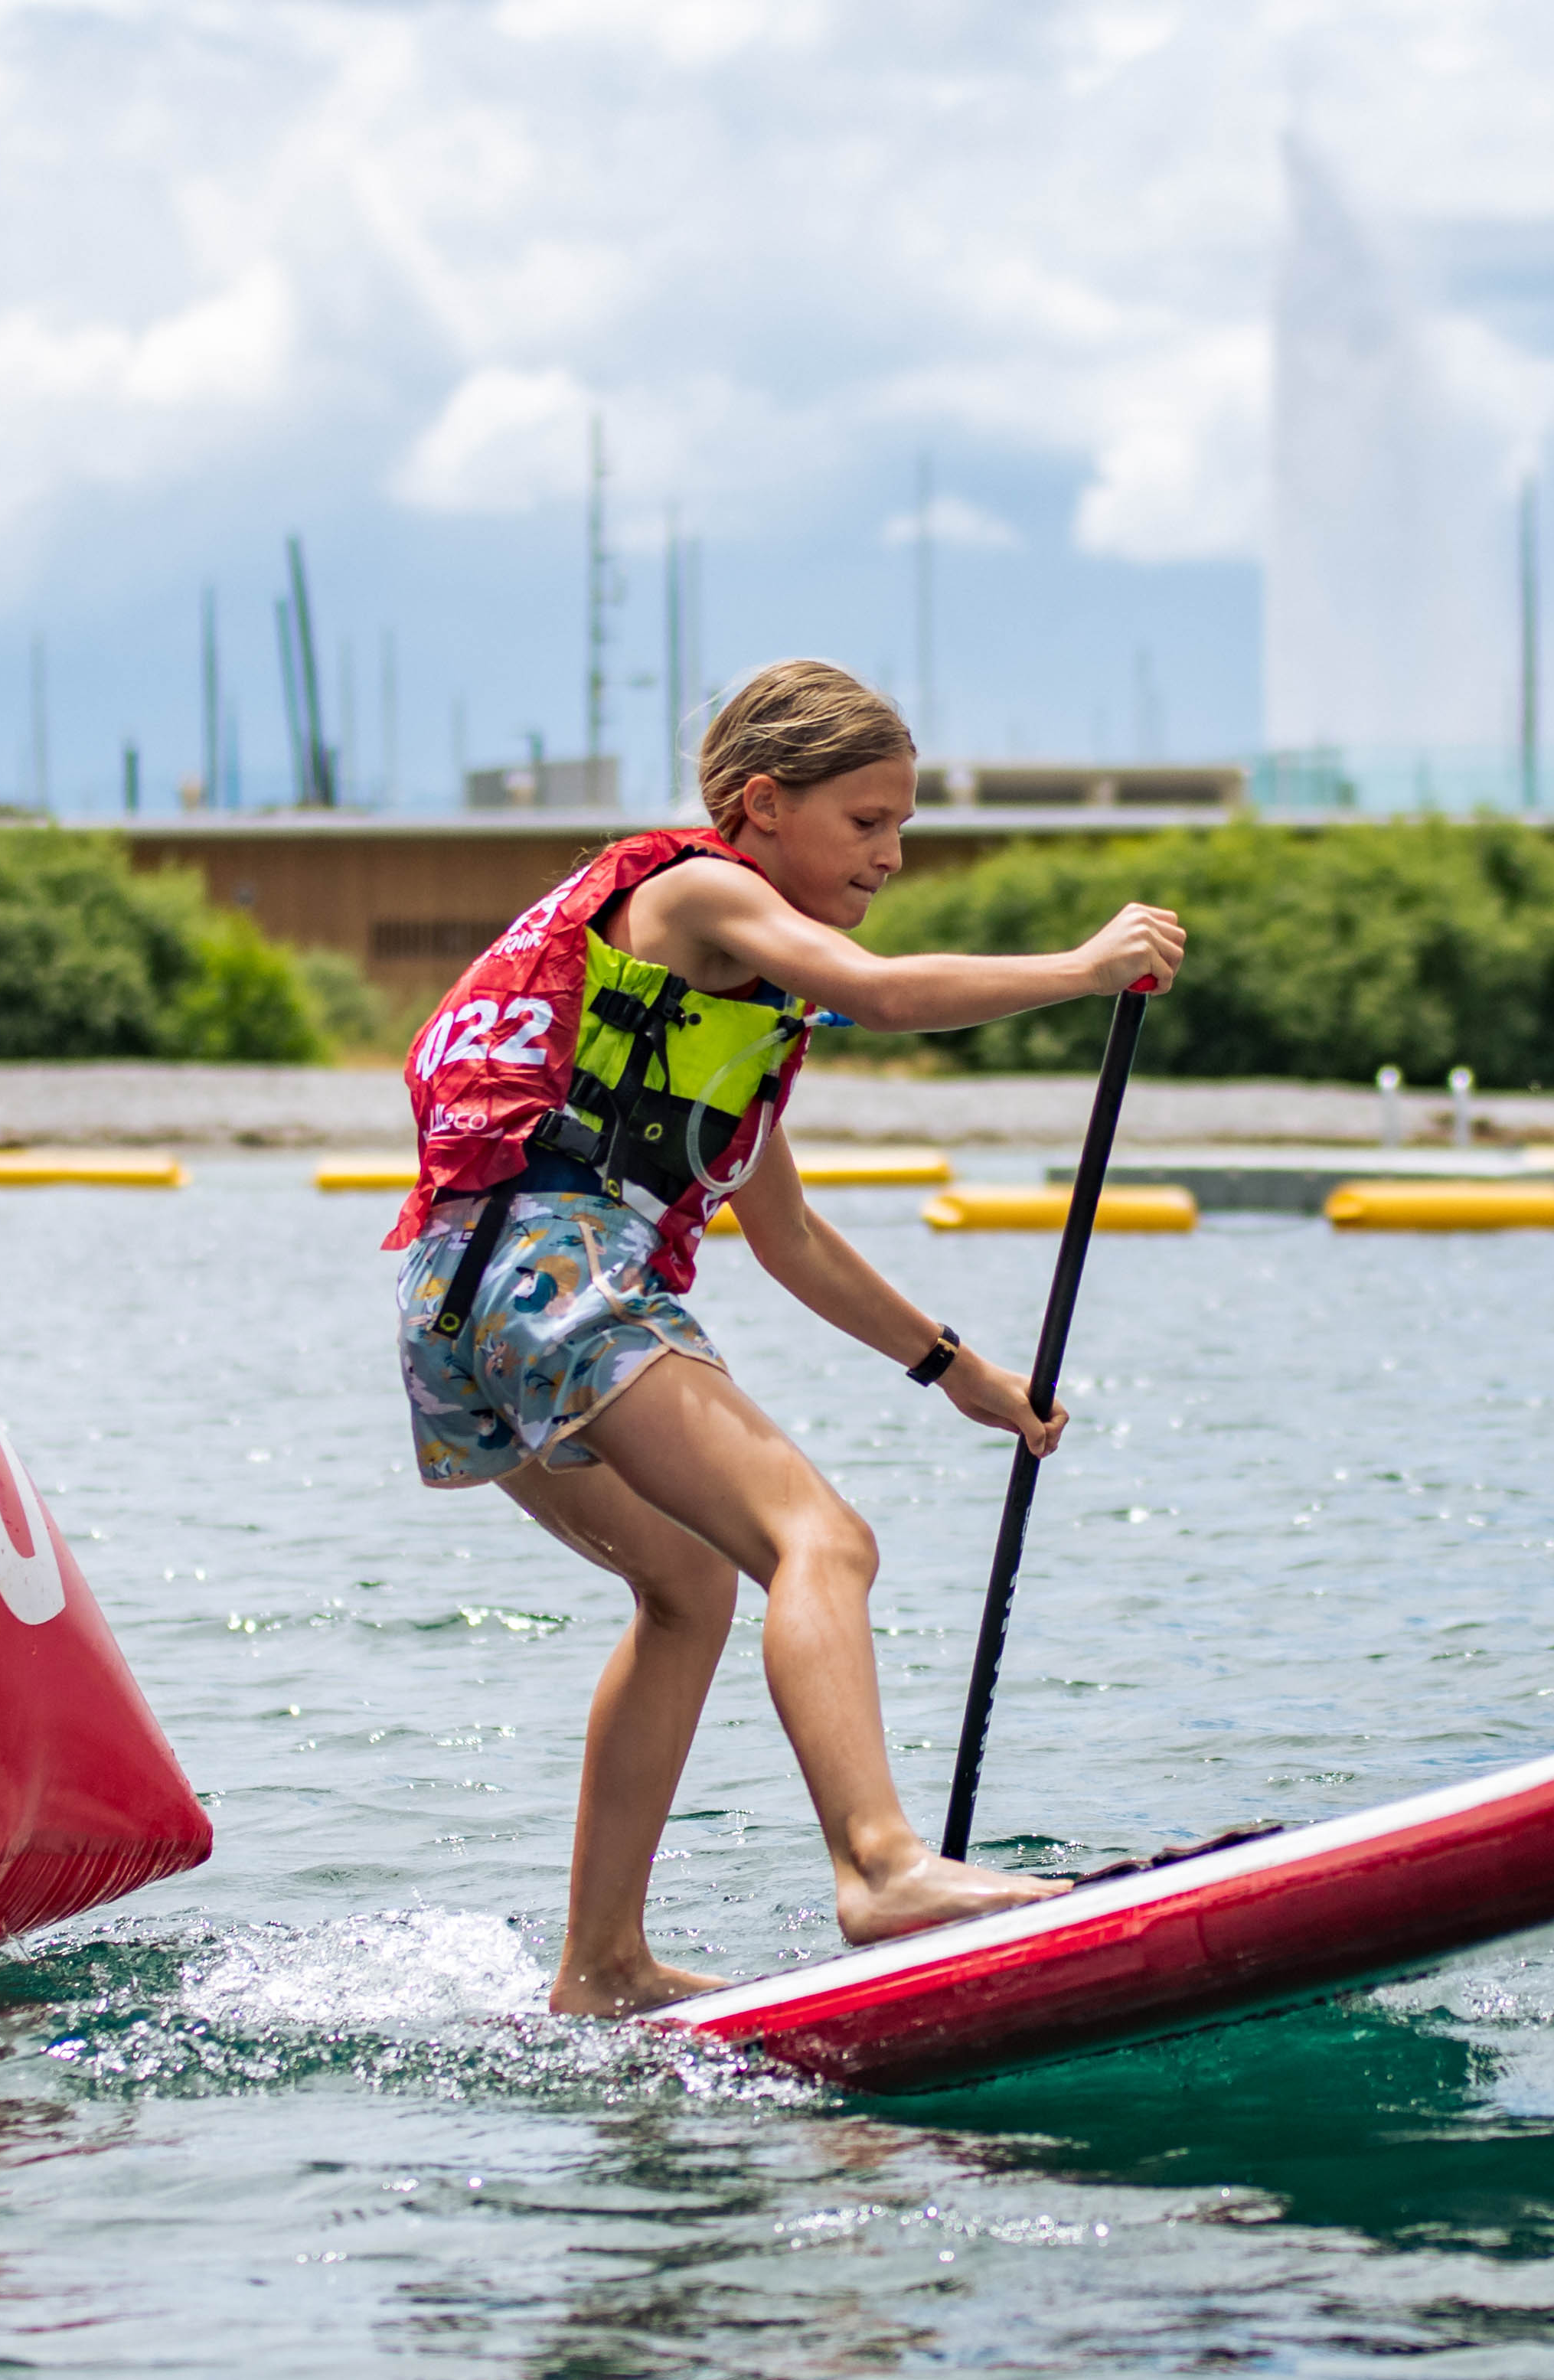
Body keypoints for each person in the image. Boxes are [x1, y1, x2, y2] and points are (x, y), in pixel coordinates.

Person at [388, 659, 1185, 2017]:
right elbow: (875, 992)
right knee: (821, 1541)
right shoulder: (696, 890)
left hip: (460, 1308)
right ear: (761, 805)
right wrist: (1081, 968)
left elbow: (792, 1239)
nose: (889, 855)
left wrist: (962, 1376)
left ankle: (600, 1966)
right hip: (555, 1270)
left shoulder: (723, 1012)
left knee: (691, 1589)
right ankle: (878, 1863)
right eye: (866, 822)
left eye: (902, 828)